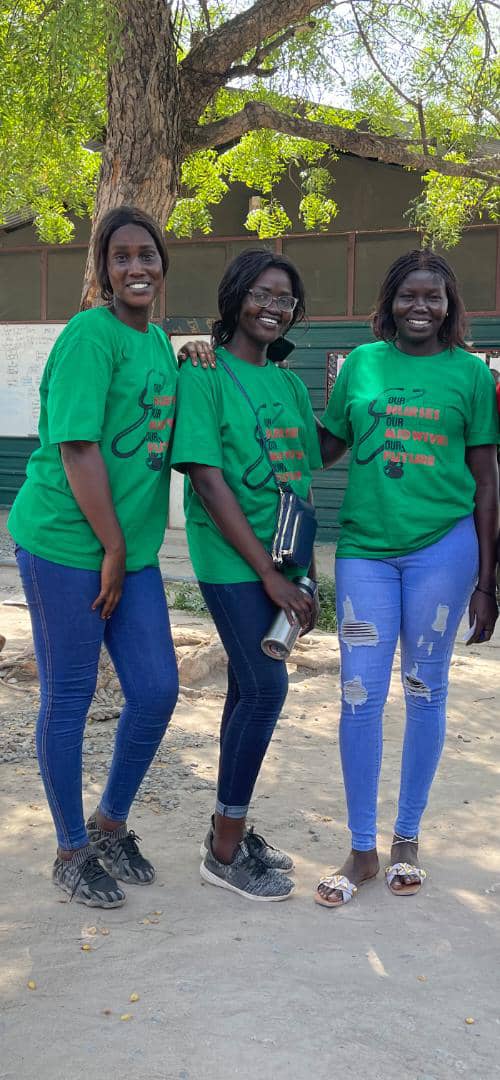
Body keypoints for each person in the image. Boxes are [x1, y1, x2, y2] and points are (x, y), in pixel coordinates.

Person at [314, 249, 499, 906]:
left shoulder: (470, 375)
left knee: (424, 688)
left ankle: (407, 839)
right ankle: (361, 848)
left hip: (443, 551)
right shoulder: (362, 365)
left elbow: (486, 479)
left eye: (433, 297)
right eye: (408, 295)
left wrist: (488, 581)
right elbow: (326, 445)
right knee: (359, 694)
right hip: (364, 549)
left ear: (450, 306)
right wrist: (261, 399)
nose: (420, 307)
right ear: (390, 301)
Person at [8, 206, 179, 908]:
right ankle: (70, 850)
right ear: (104, 271)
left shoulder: (159, 341)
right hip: (65, 542)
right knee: (71, 696)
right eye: (121, 256)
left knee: (157, 690)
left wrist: (199, 353)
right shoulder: (89, 335)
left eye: (147, 254)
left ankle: (109, 825)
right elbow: (78, 447)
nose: (136, 266)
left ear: (162, 265)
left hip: (126, 551)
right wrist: (111, 545)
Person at [171, 249, 323, 902]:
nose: (273, 307)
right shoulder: (204, 371)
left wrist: (302, 573)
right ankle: (225, 851)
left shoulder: (289, 385)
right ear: (235, 297)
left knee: (245, 690)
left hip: (282, 560)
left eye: (285, 299)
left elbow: (308, 464)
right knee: (265, 690)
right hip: (233, 560)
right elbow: (207, 478)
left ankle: (226, 829)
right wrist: (268, 575)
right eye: (261, 293)